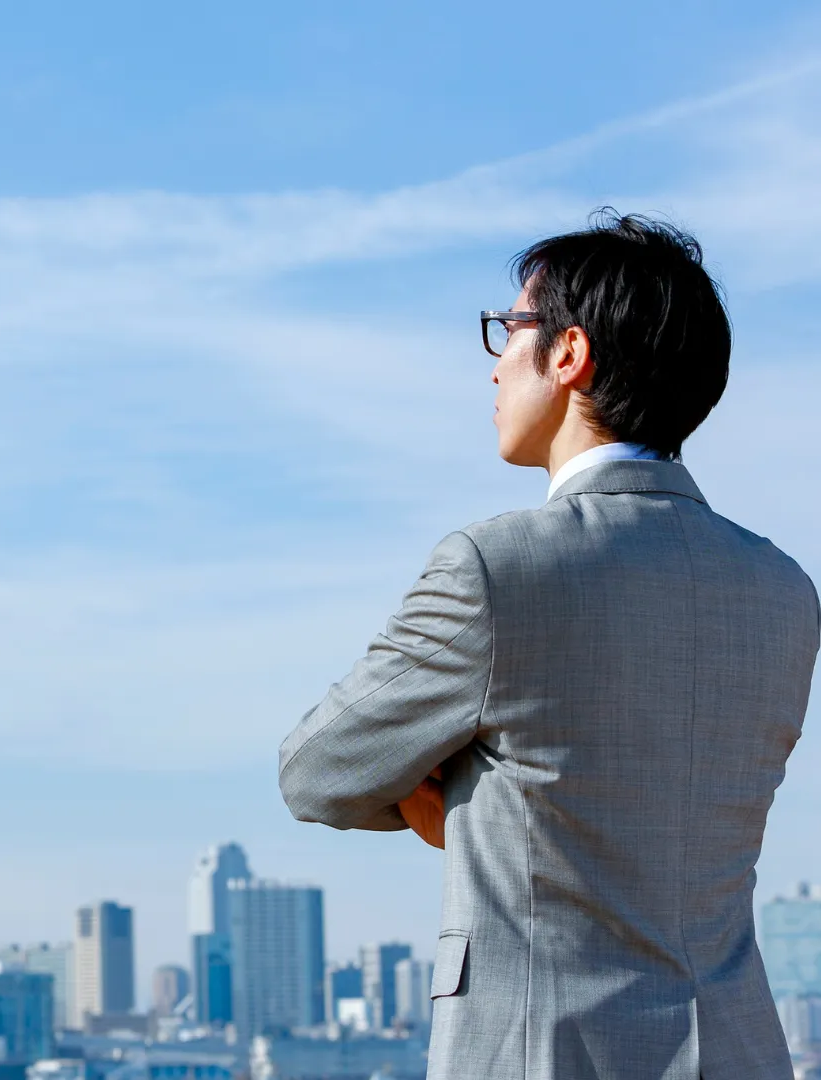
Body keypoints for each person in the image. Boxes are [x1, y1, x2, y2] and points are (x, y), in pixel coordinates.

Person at [277, 208, 821, 1080]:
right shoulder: (785, 591)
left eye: (511, 329)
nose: (496, 361)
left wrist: (450, 791)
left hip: (543, 1054)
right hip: (737, 1051)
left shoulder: (496, 570)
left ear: (568, 354)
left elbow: (316, 772)